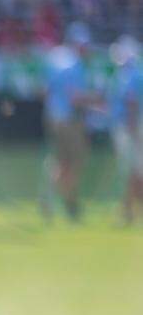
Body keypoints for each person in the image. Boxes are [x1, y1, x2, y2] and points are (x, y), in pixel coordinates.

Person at [42, 21, 100, 222]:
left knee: (60, 162)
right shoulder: (75, 65)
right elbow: (76, 98)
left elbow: (46, 91)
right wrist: (96, 100)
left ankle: (51, 198)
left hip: (54, 117)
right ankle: (70, 203)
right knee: (74, 163)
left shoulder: (55, 60)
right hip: (70, 120)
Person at [107, 35, 143, 224]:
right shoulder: (129, 74)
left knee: (133, 170)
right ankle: (129, 209)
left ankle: (128, 210)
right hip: (129, 126)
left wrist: (133, 129)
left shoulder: (132, 75)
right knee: (134, 170)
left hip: (131, 127)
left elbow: (132, 103)